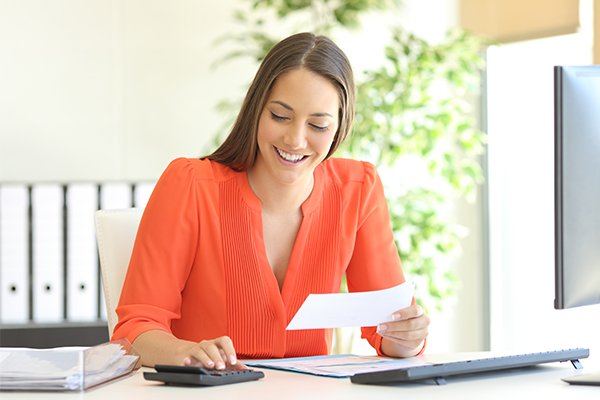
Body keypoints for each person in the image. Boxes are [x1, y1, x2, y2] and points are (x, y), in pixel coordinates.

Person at [111, 32, 430, 370]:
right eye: (280, 116)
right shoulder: (190, 185)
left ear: (339, 127)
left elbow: (387, 328)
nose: (295, 139)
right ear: (256, 111)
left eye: (318, 125)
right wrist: (189, 354)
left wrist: (406, 338)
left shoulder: (358, 188)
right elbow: (135, 331)